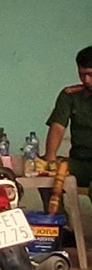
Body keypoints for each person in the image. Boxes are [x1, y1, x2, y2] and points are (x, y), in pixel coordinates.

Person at [42, 46, 92, 185]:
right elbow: (57, 127)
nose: (86, 80)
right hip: (79, 162)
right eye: (82, 74)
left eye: (90, 74)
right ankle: (58, 208)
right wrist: (50, 158)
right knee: (43, 174)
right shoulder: (70, 96)